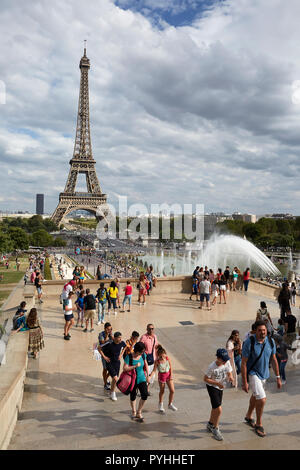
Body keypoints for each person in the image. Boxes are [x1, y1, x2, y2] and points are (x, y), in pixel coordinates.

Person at [241, 321, 281, 438]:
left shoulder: (270, 341)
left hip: (265, 374)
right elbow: (243, 363)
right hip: (253, 374)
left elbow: (273, 359)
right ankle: (258, 423)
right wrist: (244, 382)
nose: (262, 332)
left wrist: (278, 377)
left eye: (264, 330)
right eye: (260, 330)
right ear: (255, 331)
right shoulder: (249, 343)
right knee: (262, 399)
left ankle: (248, 416)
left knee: (255, 395)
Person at [204, 348, 234, 441]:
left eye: (226, 359)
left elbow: (229, 371)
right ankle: (215, 429)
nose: (225, 361)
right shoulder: (212, 367)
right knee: (219, 409)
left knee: (215, 408)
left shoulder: (226, 362)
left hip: (221, 386)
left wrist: (231, 377)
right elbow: (205, 379)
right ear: (218, 358)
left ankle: (210, 424)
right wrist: (217, 384)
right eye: (223, 360)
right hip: (212, 387)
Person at [123, 341, 150, 422]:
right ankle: (134, 411)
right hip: (132, 379)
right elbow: (124, 368)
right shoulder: (129, 357)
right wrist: (134, 366)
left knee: (145, 394)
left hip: (142, 378)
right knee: (133, 396)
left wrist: (148, 376)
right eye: (142, 351)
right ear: (137, 351)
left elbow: (146, 364)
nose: (143, 353)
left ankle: (139, 411)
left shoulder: (143, 355)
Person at [149, 344, 177, 413]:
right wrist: (150, 376)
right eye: (161, 356)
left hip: (168, 376)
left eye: (163, 354)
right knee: (162, 391)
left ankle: (170, 404)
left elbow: (170, 367)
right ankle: (160, 404)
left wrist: (171, 375)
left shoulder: (167, 358)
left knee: (172, 390)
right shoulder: (157, 361)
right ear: (158, 355)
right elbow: (154, 371)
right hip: (162, 377)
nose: (162, 356)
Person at [100, 331, 126, 401]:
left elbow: (125, 346)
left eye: (121, 337)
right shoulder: (109, 343)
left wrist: (121, 354)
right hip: (109, 363)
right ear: (115, 338)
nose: (120, 339)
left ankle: (111, 392)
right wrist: (104, 357)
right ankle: (113, 392)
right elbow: (99, 348)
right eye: (119, 338)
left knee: (115, 379)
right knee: (115, 378)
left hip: (117, 363)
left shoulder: (122, 343)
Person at [140, 324, 158, 395]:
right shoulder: (144, 337)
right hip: (145, 360)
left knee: (151, 376)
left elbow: (156, 347)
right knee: (145, 376)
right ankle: (143, 390)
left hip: (153, 359)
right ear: (147, 329)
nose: (151, 330)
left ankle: (147, 389)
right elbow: (139, 347)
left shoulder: (155, 337)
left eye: (152, 328)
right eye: (149, 329)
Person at [98, 322, 113, 391]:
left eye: (111, 329)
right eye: (108, 329)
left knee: (111, 369)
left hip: (111, 354)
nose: (109, 330)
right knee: (105, 369)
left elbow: (114, 341)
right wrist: (107, 335)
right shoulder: (101, 334)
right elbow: (102, 343)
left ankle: (106, 379)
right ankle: (105, 384)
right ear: (104, 329)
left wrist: (111, 335)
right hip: (104, 354)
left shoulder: (111, 334)